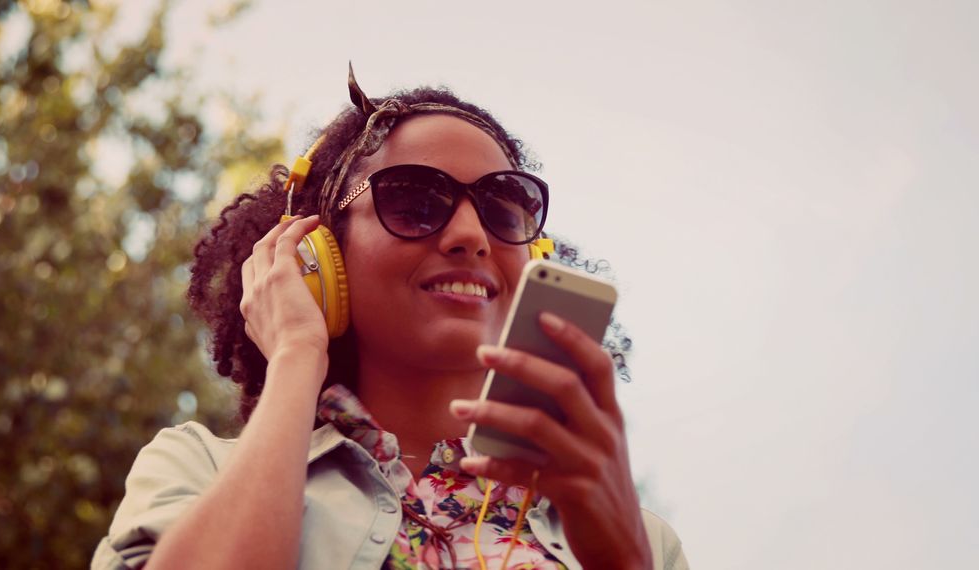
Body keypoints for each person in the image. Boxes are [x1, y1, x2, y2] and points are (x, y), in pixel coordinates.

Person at [92, 68, 688, 570]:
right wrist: (298, 356)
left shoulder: (643, 538)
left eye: (503, 209)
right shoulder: (197, 469)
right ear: (317, 256)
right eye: (414, 201)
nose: (468, 235)